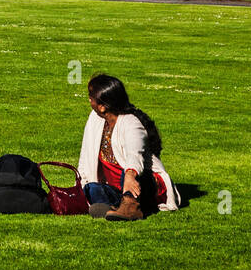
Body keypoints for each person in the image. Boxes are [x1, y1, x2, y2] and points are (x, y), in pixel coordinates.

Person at [77, 73, 180, 221]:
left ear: (102, 106)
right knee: (91, 188)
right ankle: (115, 207)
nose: (88, 100)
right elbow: (85, 155)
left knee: (134, 176)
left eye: (91, 97)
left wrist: (130, 176)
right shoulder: (95, 119)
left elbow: (134, 153)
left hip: (142, 183)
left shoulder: (131, 122)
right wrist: (80, 187)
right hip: (117, 189)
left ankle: (130, 207)